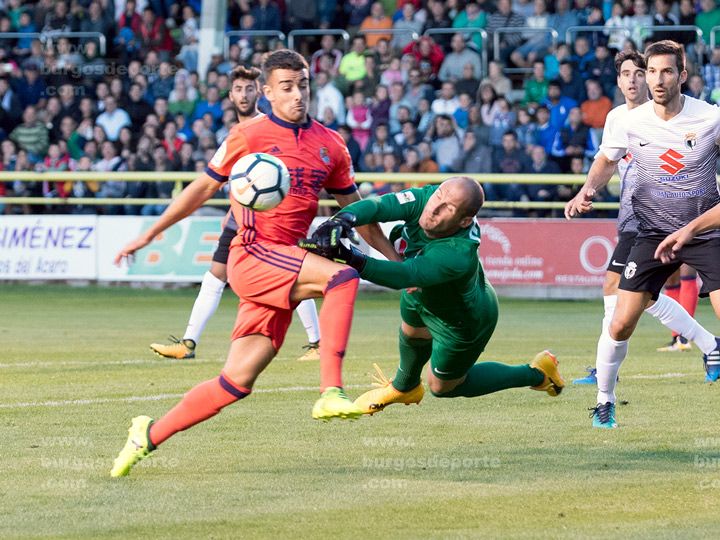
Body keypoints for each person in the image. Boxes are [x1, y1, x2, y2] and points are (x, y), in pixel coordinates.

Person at [110, 50, 399, 477]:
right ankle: (330, 390)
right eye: (287, 87)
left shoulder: (331, 144)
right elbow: (202, 188)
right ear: (267, 93)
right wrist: (150, 234)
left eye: (303, 85)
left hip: (285, 263)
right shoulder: (248, 137)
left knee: (235, 383)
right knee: (342, 277)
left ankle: (147, 435)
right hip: (251, 253)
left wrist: (398, 262)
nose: (298, 94)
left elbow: (359, 211)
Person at [299, 177, 565, 414]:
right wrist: (342, 220)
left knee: (442, 386)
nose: (435, 208)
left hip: (461, 319)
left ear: (463, 221)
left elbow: (403, 275)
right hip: (422, 292)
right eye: (439, 196)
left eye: (448, 207)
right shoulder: (426, 197)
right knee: (413, 332)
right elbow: (378, 207)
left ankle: (537, 374)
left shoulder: (456, 252)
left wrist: (347, 256)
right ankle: (405, 387)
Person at [565, 41, 720, 428]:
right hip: (650, 233)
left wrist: (689, 230)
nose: (657, 80)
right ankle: (604, 400)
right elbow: (606, 159)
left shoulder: (710, 119)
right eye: (651, 71)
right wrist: (587, 189)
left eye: (666, 72)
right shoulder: (630, 121)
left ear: (682, 75)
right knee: (620, 322)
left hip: (703, 232)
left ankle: (710, 346)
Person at [149, 66, 323, 363]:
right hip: (241, 219)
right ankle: (188, 343)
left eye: (249, 89)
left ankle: (318, 342)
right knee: (215, 276)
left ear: (261, 93)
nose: (244, 95)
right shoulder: (238, 132)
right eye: (238, 90)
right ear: (230, 95)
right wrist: (234, 210)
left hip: (274, 221)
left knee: (293, 275)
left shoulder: (268, 127)